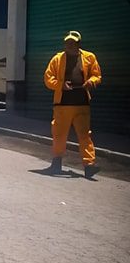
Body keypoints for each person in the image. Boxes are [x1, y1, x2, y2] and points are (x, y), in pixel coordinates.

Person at [43, 30, 102, 178]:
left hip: (82, 103)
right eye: (67, 42)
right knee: (59, 134)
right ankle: (56, 163)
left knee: (84, 135)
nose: (69, 45)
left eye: (72, 43)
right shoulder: (57, 59)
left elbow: (97, 75)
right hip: (62, 104)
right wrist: (60, 85)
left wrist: (91, 82)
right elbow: (48, 78)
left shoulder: (89, 57)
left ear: (78, 44)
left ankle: (89, 166)